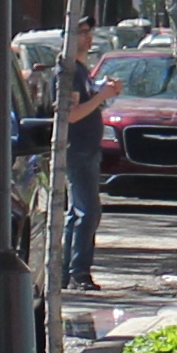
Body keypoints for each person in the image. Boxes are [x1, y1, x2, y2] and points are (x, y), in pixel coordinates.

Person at [54, 36, 117, 290]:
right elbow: (71, 114)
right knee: (87, 212)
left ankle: (67, 274)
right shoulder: (67, 72)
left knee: (77, 213)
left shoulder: (81, 70)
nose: (88, 36)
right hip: (77, 150)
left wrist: (103, 92)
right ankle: (78, 274)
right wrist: (102, 95)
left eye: (90, 31)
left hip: (88, 150)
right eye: (81, 31)